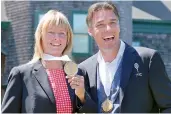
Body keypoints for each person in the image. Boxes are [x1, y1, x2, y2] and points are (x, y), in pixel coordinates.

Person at [78, 2, 171, 113]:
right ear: (90, 31)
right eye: (100, 25)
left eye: (113, 22)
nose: (108, 29)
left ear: (119, 26)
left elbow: (168, 106)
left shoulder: (148, 60)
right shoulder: (84, 69)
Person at [1, 10, 96, 113]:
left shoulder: (78, 73)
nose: (57, 38)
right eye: (51, 32)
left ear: (68, 39)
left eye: (62, 33)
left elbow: (91, 112)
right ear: (40, 37)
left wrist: (82, 95)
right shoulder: (21, 75)